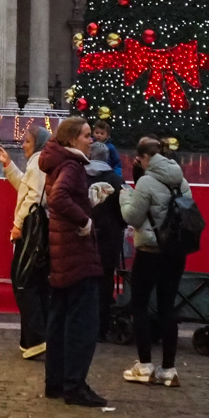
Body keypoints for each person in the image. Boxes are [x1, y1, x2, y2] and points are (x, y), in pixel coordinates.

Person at [37, 118, 107, 406]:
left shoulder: (58, 162)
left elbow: (58, 197)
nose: (92, 141)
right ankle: (75, 385)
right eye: (87, 136)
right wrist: (86, 219)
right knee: (82, 323)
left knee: (59, 320)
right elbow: (60, 197)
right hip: (76, 254)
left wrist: (87, 200)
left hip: (61, 253)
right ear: (72, 139)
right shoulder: (72, 166)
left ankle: (56, 382)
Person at [119, 137, 191, 385]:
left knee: (139, 305)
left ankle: (145, 365)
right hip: (175, 251)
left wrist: (125, 195)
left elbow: (132, 216)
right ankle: (169, 370)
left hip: (150, 251)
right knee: (167, 307)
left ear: (143, 158)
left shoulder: (147, 182)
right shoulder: (181, 181)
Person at [0, 126, 50, 359]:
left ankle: (36, 337)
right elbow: (25, 187)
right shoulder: (38, 162)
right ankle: (31, 339)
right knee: (33, 283)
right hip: (34, 229)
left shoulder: (39, 162)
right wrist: (9, 165)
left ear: (37, 143)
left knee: (24, 281)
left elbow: (33, 197)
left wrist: (18, 224)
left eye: (27, 141)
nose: (23, 145)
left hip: (31, 230)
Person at [85, 135, 125, 340]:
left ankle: (83, 324)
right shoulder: (116, 181)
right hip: (110, 238)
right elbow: (125, 211)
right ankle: (102, 327)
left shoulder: (80, 177)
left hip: (85, 236)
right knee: (105, 280)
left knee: (84, 280)